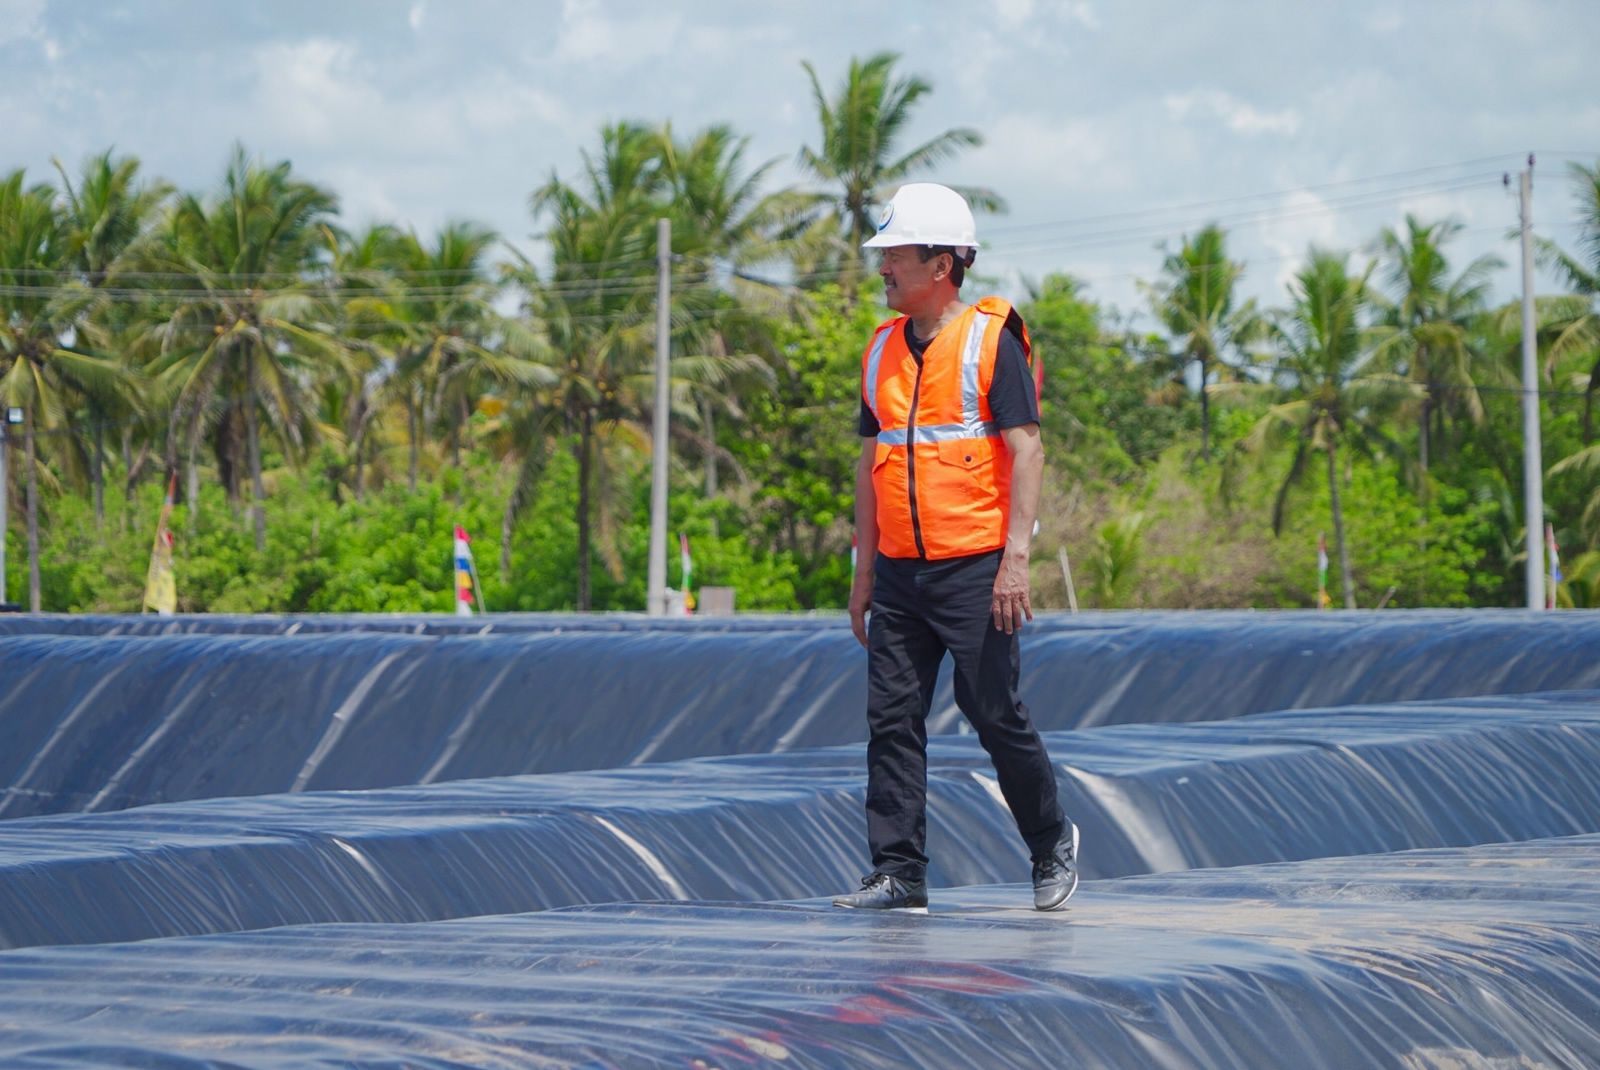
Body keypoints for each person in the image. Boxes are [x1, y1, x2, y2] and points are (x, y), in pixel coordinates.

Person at [833, 183, 1079, 913]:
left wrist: (1016, 561)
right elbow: (869, 464)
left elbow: (1026, 453)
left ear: (940, 263)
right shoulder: (880, 349)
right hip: (902, 574)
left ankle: (1050, 841)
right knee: (891, 720)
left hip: (975, 568)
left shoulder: (988, 340)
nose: (882, 268)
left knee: (993, 711)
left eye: (894, 255)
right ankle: (898, 871)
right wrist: (864, 572)